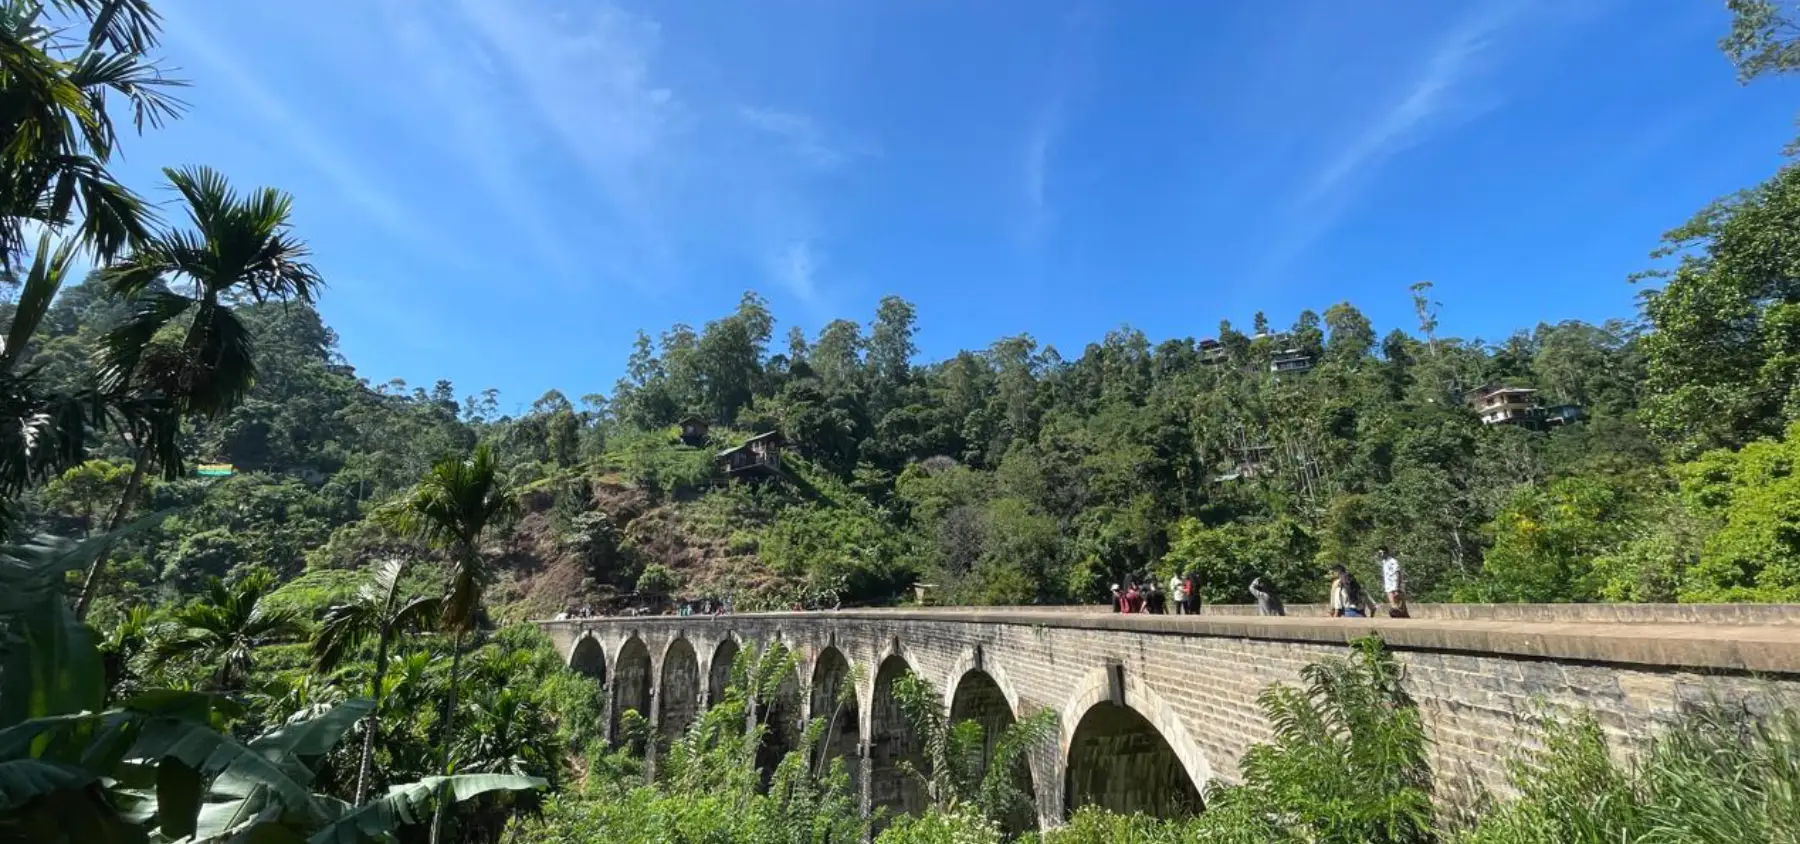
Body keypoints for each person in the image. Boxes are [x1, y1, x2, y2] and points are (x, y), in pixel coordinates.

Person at [1378, 546, 1410, 618]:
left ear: (1386, 553)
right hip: (1389, 587)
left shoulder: (1393, 561)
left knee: (1397, 607)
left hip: (1394, 587)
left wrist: (1396, 588)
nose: (1380, 555)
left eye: (1381, 553)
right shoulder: (1384, 562)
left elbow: (1397, 574)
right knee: (1396, 607)